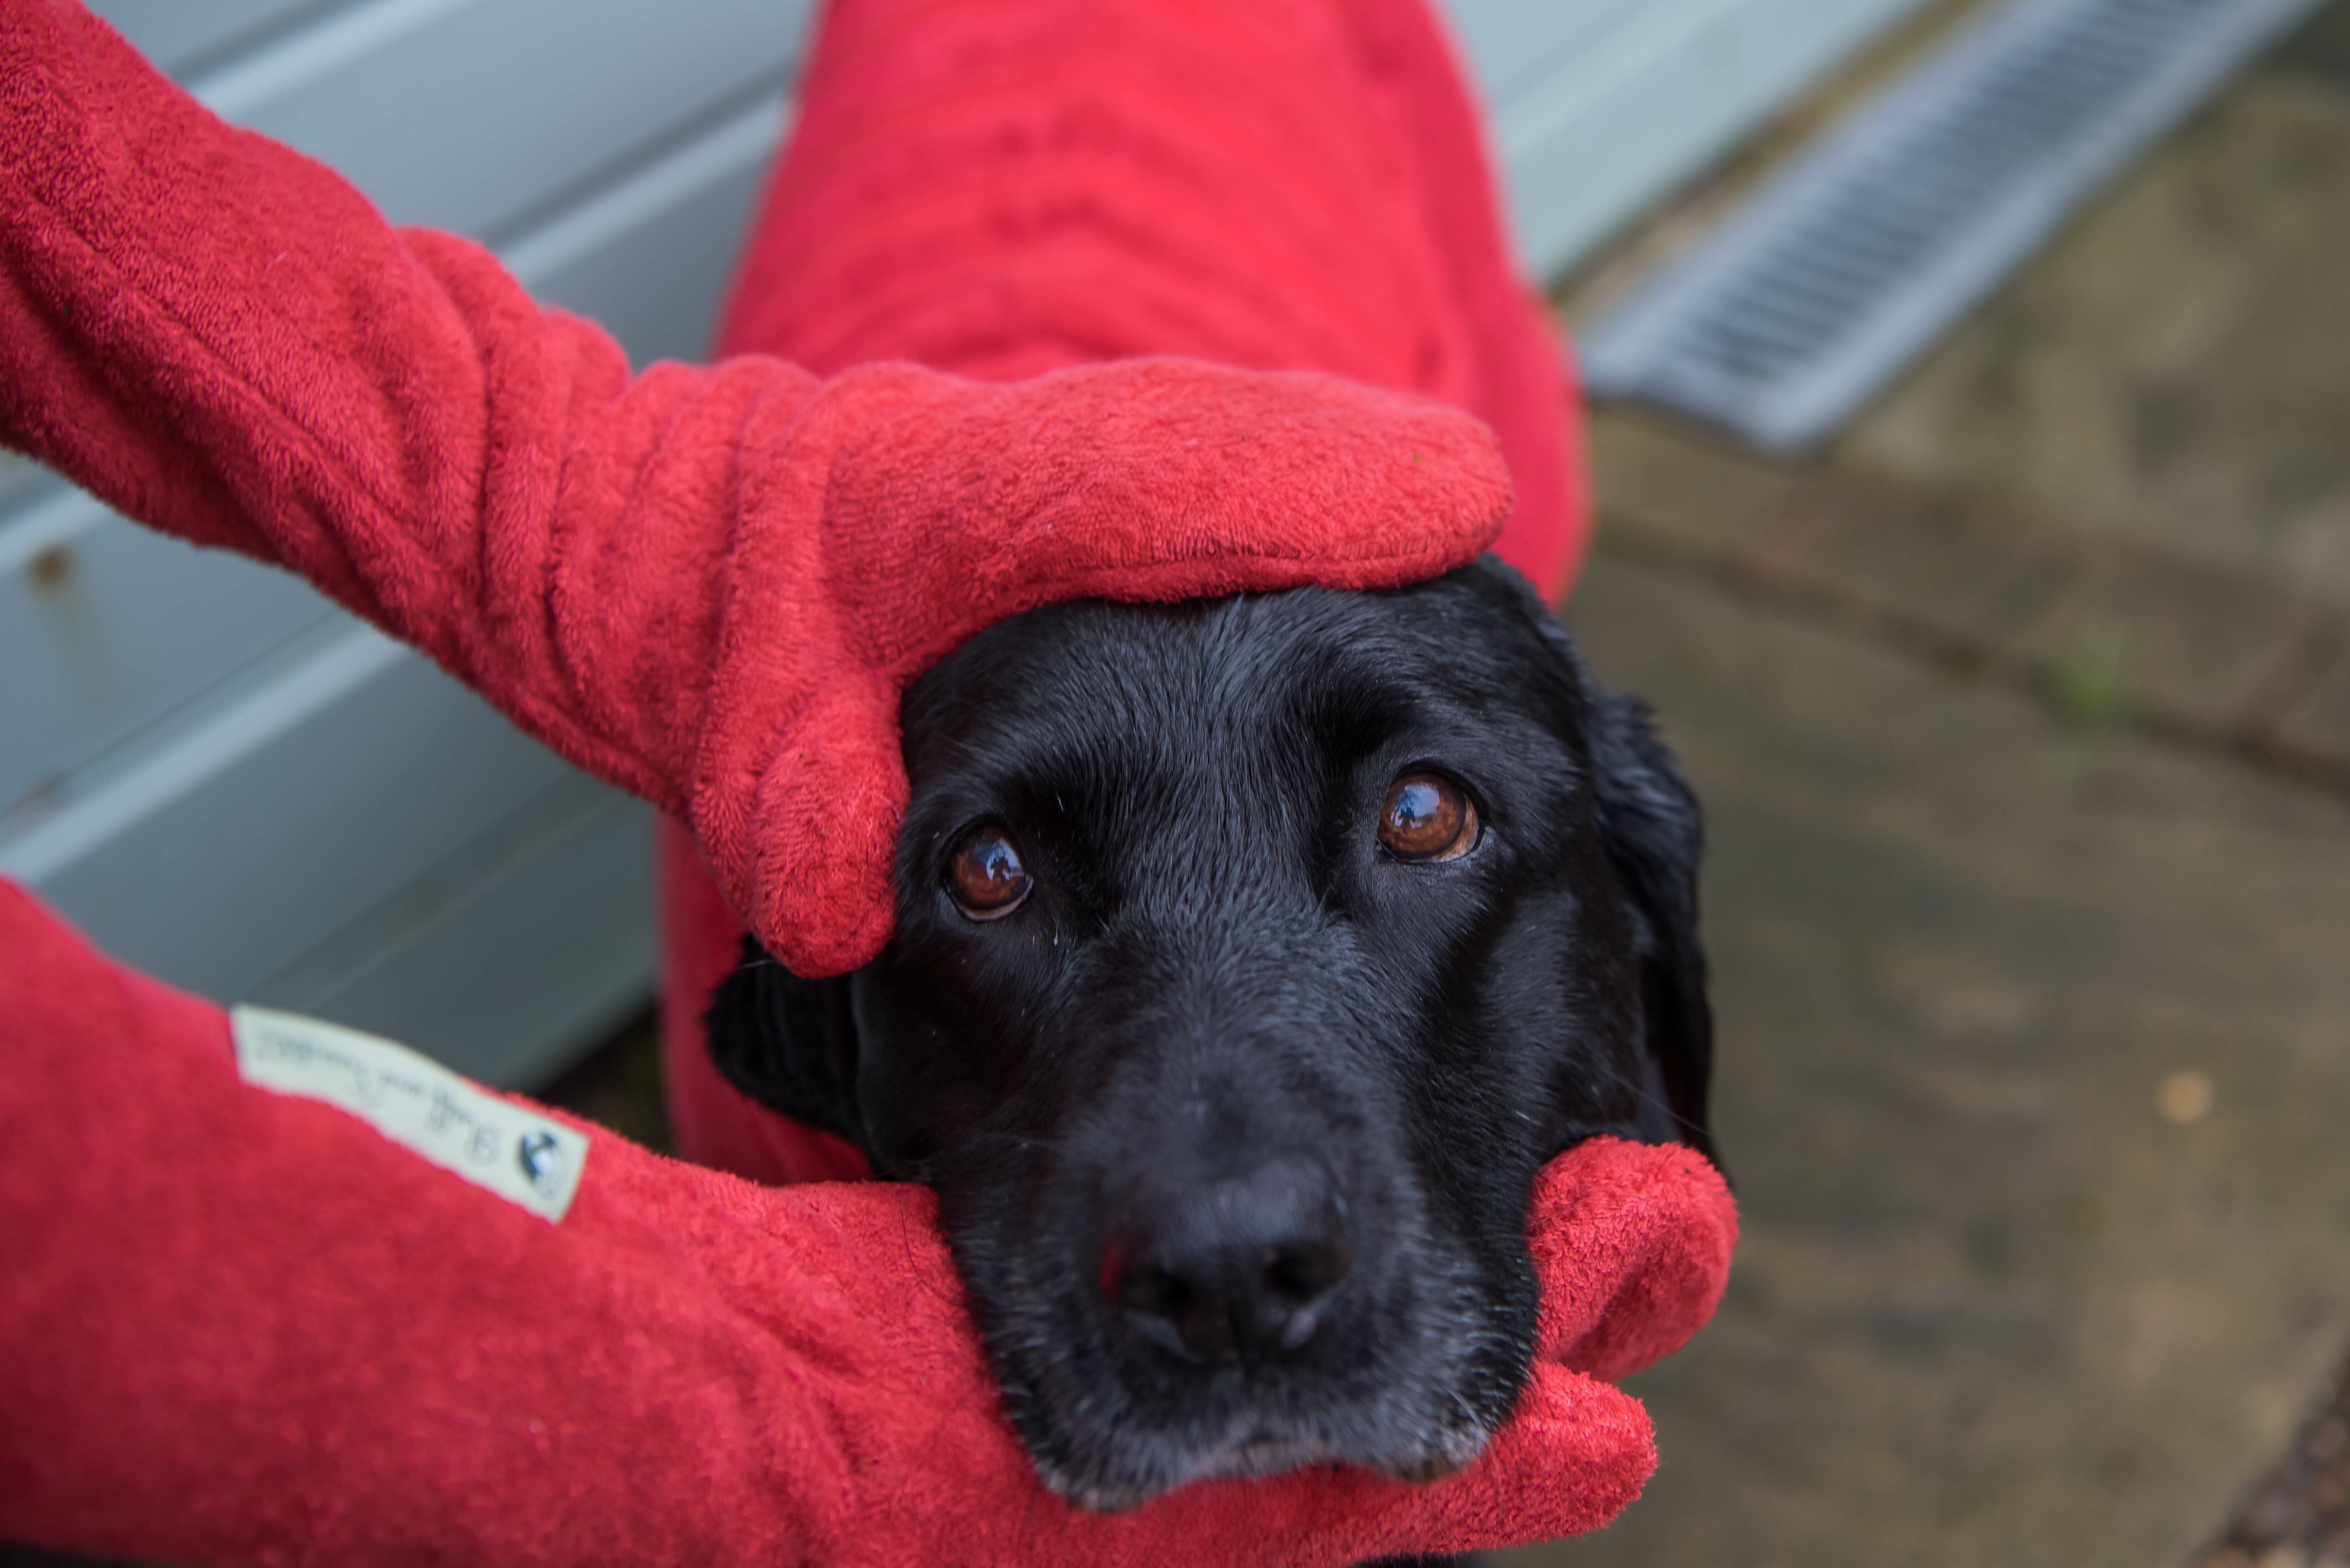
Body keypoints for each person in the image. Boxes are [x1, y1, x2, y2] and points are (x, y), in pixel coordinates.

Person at [0, 2, 1736, 1563]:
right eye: (987, 875)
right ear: (813, 1010)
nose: (1235, 1221)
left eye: (1422, 819)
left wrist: (628, 499)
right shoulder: (789, 878)